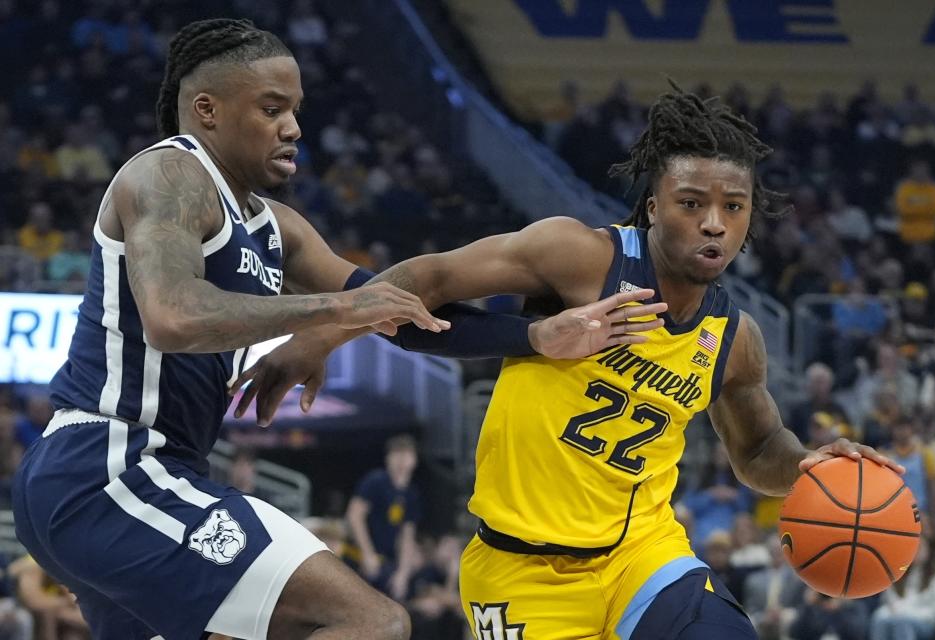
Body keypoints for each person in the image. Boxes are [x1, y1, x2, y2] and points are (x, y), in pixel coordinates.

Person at [12, 18, 657, 640]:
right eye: (271, 109)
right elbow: (174, 315)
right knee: (370, 623)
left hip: (153, 472)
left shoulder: (278, 229)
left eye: (295, 109)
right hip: (109, 466)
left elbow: (397, 315)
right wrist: (331, 315)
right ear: (207, 110)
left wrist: (533, 339)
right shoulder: (170, 174)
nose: (292, 127)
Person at [245, 83, 903, 639]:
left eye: (733, 208)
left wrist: (806, 467)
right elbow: (433, 276)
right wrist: (322, 335)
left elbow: (758, 448)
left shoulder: (735, 337)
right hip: (518, 569)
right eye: (692, 203)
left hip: (640, 556)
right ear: (653, 207)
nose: (713, 224)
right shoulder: (581, 257)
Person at [344, 435, 422, 601]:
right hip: (358, 556)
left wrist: (403, 574)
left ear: (414, 460)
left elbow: (407, 536)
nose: (402, 460)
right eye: (397, 455)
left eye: (407, 455)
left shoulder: (411, 494)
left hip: (385, 561)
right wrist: (367, 553)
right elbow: (354, 515)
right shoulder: (376, 481)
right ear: (388, 458)